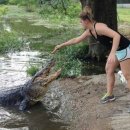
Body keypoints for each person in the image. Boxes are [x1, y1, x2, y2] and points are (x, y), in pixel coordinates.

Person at [51, 6, 130, 109]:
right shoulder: (90, 31)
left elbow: (116, 36)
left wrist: (112, 52)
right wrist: (60, 45)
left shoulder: (99, 27)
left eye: (81, 21)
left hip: (125, 48)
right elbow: (76, 39)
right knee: (109, 69)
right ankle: (110, 95)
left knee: (128, 77)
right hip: (117, 50)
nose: (80, 23)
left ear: (86, 21)